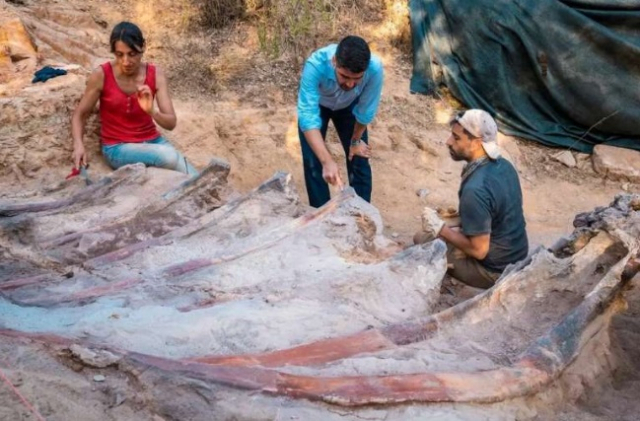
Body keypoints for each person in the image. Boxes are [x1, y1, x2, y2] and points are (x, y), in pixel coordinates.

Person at [420, 109, 528, 288]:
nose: (448, 142)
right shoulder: (505, 165)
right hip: (517, 255)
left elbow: (479, 251)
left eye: (456, 138)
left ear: (476, 142)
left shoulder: (475, 189)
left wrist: (441, 229)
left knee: (423, 239)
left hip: (496, 271)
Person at [71, 21, 197, 175]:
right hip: (117, 148)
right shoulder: (102, 75)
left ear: (143, 47)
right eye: (119, 55)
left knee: (196, 177)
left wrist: (152, 111)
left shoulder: (156, 74)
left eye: (132, 54)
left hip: (153, 141)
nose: (126, 61)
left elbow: (171, 123)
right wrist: (78, 145)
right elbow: (80, 114)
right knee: (170, 157)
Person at [297, 35, 384, 207]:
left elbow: (365, 111)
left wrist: (355, 141)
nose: (350, 84)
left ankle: (362, 215)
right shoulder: (315, 65)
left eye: (357, 79)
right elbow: (308, 117)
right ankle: (321, 216)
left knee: (359, 156)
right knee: (314, 161)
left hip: (350, 107)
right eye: (344, 76)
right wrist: (327, 161)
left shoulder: (374, 69)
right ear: (334, 61)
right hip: (319, 106)